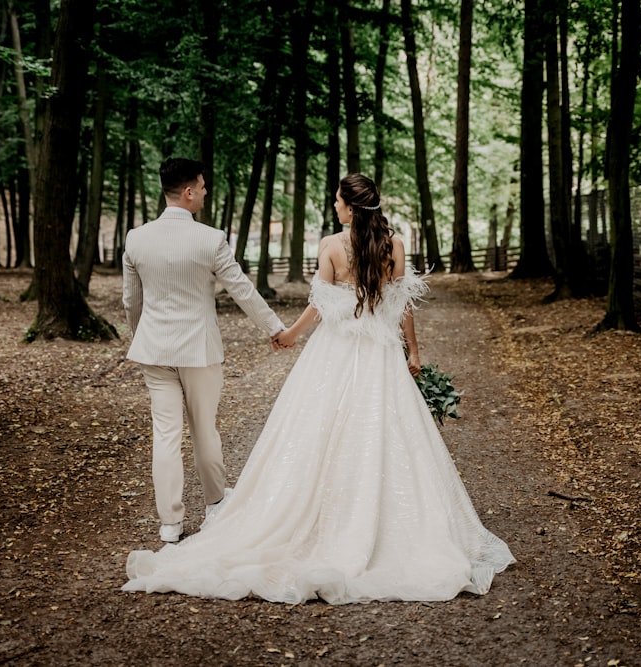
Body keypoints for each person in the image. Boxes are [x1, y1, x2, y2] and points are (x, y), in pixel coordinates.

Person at [123, 173, 515, 603]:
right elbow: (402, 308)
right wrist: (413, 353)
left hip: (335, 351)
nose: (334, 206)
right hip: (381, 353)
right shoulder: (395, 246)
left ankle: (188, 524)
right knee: (386, 432)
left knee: (316, 431)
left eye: (337, 201)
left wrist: (288, 333)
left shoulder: (331, 246)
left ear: (349, 207)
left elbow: (320, 305)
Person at [122, 157, 286, 544]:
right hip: (199, 350)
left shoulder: (136, 238)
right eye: (203, 185)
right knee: (203, 429)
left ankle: (170, 523)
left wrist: (140, 336)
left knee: (165, 434)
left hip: (155, 351)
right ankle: (215, 503)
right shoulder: (210, 239)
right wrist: (275, 328)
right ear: (188, 191)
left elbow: (132, 301)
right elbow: (241, 289)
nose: (206, 192)